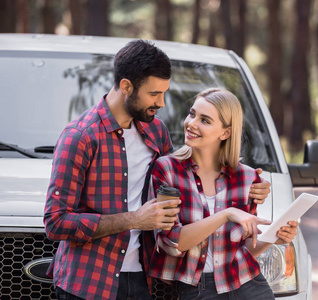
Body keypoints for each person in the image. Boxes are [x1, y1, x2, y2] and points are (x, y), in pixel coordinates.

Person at [44, 40, 271, 300]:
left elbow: (182, 182)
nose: (161, 103)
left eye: (164, 93)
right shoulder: (80, 137)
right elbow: (56, 222)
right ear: (127, 86)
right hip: (90, 282)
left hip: (144, 280)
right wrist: (133, 219)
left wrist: (251, 186)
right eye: (154, 94)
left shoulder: (155, 130)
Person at [148, 88, 298, 299]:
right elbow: (172, 243)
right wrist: (226, 214)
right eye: (192, 114)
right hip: (195, 290)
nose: (192, 123)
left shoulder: (247, 178)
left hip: (249, 285)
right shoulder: (167, 170)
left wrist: (275, 237)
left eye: (205, 120)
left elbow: (243, 248)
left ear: (226, 132)